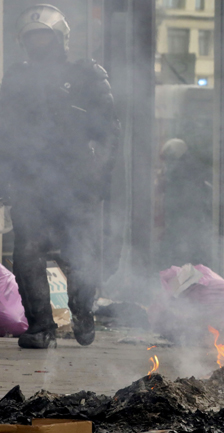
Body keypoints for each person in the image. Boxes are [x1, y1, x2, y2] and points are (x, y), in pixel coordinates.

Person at [0, 4, 120, 349]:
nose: (38, 43)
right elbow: (5, 132)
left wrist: (99, 178)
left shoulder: (87, 75)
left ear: (60, 38)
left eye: (44, 36)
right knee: (28, 252)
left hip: (75, 183)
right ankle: (40, 326)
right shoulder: (17, 77)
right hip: (30, 183)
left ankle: (83, 313)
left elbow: (108, 132)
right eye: (32, 38)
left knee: (79, 253)